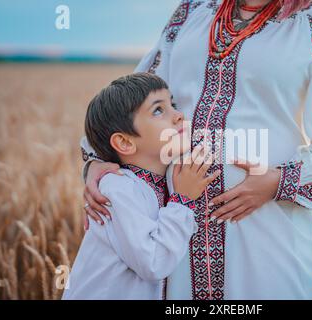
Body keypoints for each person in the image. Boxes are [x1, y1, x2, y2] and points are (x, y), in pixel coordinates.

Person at [81, 0, 312, 299]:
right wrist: (98, 158)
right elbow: (132, 100)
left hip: (268, 231)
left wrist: (277, 183)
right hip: (178, 231)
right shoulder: (191, 12)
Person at [63, 72, 220, 299]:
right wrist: (183, 201)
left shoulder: (156, 184)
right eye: (158, 110)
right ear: (125, 142)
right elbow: (153, 263)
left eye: (172, 104)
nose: (178, 115)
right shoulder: (116, 190)